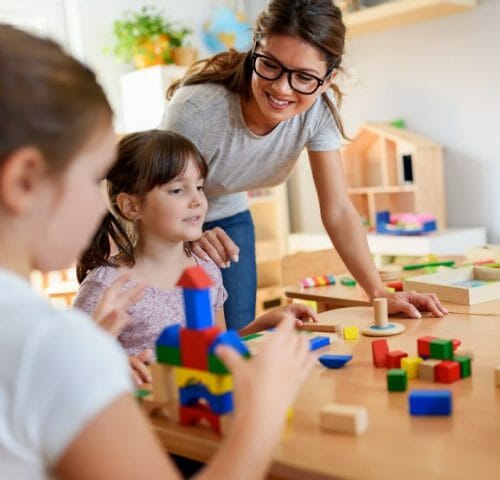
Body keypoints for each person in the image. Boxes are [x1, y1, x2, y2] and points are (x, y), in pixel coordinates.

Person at [0, 24, 314, 479]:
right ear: (25, 182)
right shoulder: (50, 345)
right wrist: (262, 412)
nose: (100, 203)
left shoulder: (52, 339)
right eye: (94, 178)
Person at [162, 0, 447, 330]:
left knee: (237, 338)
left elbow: (338, 209)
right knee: (180, 337)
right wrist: (187, 234)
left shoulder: (316, 114)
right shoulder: (198, 108)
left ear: (327, 80)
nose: (281, 88)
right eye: (270, 65)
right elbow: (151, 193)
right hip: (163, 216)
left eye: (304, 77)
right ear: (255, 50)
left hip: (227, 215)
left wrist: (378, 292)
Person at [74, 129, 318, 385]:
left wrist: (263, 324)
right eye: (178, 190)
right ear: (132, 206)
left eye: (199, 187)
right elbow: (72, 372)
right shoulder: (106, 287)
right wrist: (115, 367)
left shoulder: (207, 269)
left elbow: (216, 349)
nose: (198, 201)